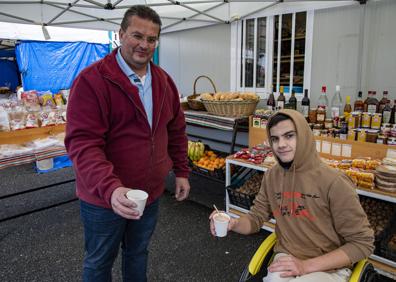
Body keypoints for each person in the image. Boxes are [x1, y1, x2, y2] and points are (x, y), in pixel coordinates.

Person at [65, 5, 190, 282]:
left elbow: (176, 130)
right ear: (121, 35)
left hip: (149, 193)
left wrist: (181, 171)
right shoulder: (92, 81)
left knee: (137, 253)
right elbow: (83, 144)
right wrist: (111, 188)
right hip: (103, 198)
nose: (144, 45)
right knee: (99, 262)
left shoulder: (163, 81)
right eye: (137, 36)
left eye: (151, 39)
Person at [210, 109, 374, 282]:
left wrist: (305, 266)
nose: (281, 144)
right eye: (275, 139)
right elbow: (255, 218)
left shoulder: (334, 182)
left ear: (303, 136)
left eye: (289, 136)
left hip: (329, 267)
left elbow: (362, 243)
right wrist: (233, 223)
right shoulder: (272, 176)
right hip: (287, 257)